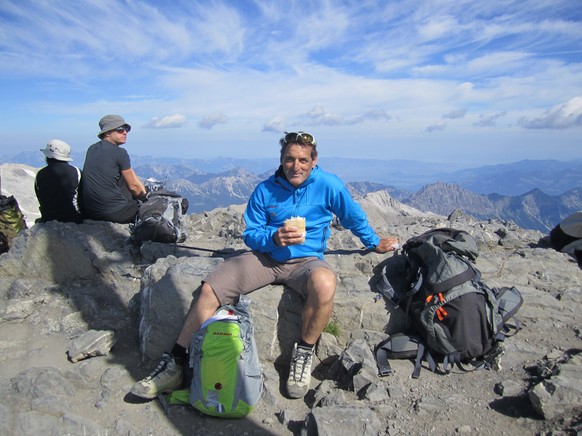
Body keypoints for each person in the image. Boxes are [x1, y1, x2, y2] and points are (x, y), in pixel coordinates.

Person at [130, 131, 399, 400]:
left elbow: (352, 216)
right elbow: (251, 234)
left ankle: (303, 354)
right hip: (267, 257)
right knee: (211, 288)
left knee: (326, 282)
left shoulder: (329, 185)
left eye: (303, 160)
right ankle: (175, 362)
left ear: (314, 160)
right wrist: (273, 238)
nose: (296, 166)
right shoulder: (265, 190)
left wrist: (374, 242)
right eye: (290, 159)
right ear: (281, 160)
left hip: (307, 261)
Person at [80, 114, 146, 223]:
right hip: (116, 214)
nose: (125, 132)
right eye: (120, 130)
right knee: (153, 209)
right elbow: (133, 187)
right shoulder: (120, 153)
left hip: (91, 212)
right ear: (107, 132)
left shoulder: (91, 149)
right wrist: (145, 198)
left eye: (126, 129)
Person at [34, 139, 83, 224]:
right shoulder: (76, 172)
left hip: (47, 219)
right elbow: (83, 197)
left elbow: (40, 197)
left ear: (48, 157)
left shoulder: (40, 174)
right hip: (73, 219)